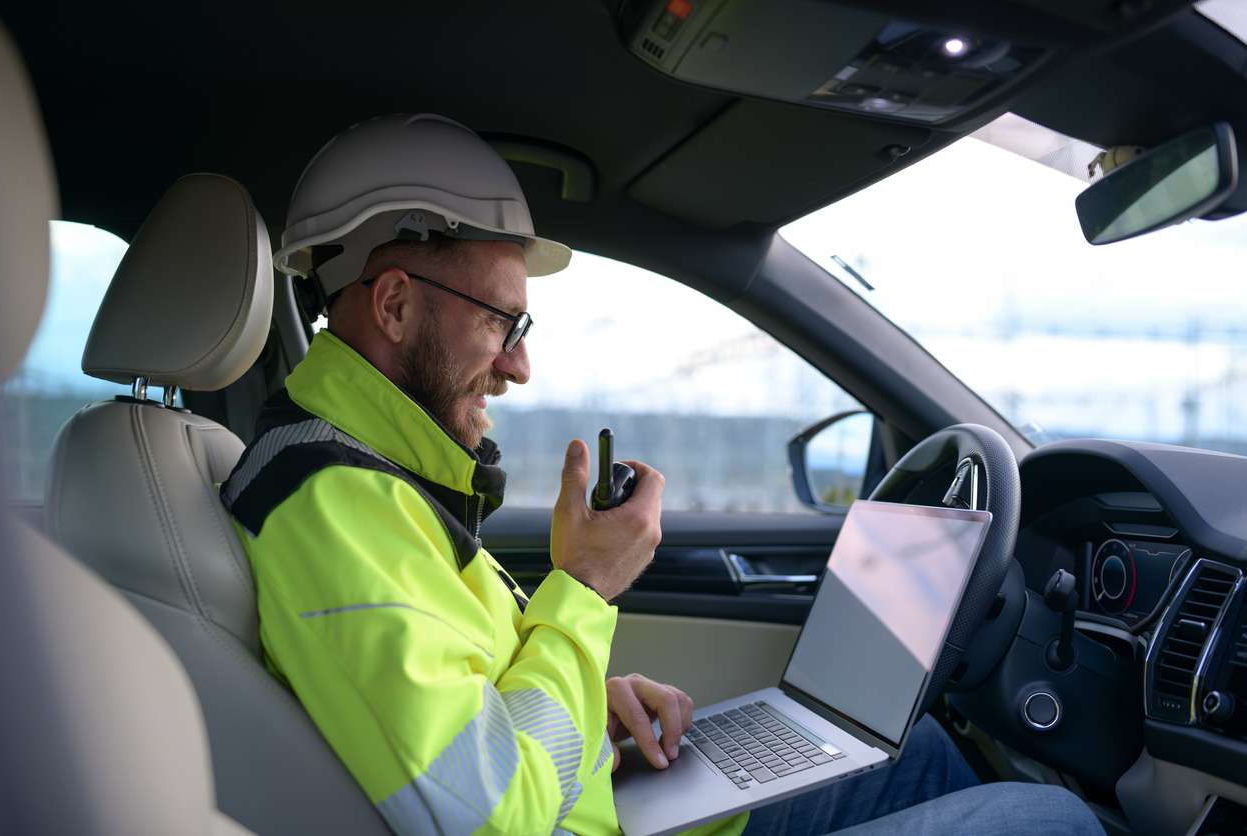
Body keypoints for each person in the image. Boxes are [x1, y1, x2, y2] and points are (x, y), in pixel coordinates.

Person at [220, 113, 1102, 835]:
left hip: (606, 805)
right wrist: (585, 586)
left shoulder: (376, 481)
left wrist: (589, 711)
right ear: (396, 304)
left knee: (915, 756)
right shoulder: (332, 504)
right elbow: (487, 815)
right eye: (503, 325)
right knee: (1050, 818)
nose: (518, 370)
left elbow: (464, 713)